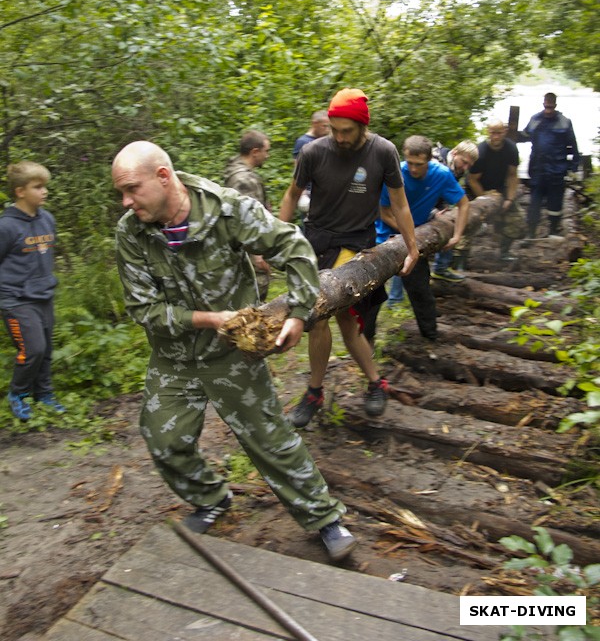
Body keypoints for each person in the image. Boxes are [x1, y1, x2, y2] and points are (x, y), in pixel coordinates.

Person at [111, 141, 356, 562]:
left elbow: (292, 246)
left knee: (268, 437)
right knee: (163, 438)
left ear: (164, 177)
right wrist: (209, 319)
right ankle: (211, 499)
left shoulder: (226, 210)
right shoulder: (132, 233)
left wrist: (298, 313)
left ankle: (325, 518)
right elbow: (144, 309)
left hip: (231, 354)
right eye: (122, 192)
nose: (126, 201)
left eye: (132, 189)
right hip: (175, 357)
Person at [279, 88, 419, 428]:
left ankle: (345, 386)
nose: (339, 137)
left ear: (362, 127)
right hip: (317, 240)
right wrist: (276, 240)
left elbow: (399, 203)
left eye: (347, 131)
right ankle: (349, 386)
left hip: (356, 245)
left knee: (327, 315)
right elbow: (292, 194)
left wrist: (412, 247)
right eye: (334, 129)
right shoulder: (314, 152)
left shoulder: (382, 151)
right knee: (329, 319)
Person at [366, 135, 469, 344]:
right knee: (371, 296)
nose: (413, 169)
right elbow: (385, 213)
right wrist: (408, 233)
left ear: (430, 160)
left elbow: (464, 204)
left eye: (419, 165)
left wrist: (457, 235)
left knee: (421, 292)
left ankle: (430, 337)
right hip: (385, 239)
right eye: (410, 163)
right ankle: (366, 343)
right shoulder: (395, 172)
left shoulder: (441, 175)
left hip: (415, 241)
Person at [0, 161, 64, 421]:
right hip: (15, 299)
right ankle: (18, 393)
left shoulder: (47, 219)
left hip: (43, 296)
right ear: (20, 191)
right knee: (33, 348)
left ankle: (44, 395)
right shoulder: (6, 226)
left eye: (44, 186)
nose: (44, 192)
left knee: (46, 349)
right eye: (38, 187)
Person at [518, 93, 580, 237]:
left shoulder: (564, 122)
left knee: (555, 202)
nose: (548, 110)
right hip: (537, 169)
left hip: (557, 169)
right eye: (546, 106)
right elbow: (525, 135)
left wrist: (574, 167)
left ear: (555, 105)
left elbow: (574, 145)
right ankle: (531, 232)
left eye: (551, 107)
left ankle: (553, 229)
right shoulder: (535, 119)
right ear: (543, 104)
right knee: (534, 202)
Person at [223, 130, 272, 300]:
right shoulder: (244, 180)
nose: (268, 156)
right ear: (255, 152)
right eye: (266, 151)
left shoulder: (234, 172)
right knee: (253, 302)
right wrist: (257, 256)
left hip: (243, 251)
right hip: (249, 253)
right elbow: (247, 221)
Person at [468, 118, 525, 261]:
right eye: (493, 133)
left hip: (500, 189)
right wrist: (484, 199)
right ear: (488, 132)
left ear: (505, 132)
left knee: (518, 221)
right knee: (467, 223)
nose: (496, 137)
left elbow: (513, 175)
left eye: (499, 133)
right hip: (477, 189)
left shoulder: (511, 149)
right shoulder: (481, 152)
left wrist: (509, 199)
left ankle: (504, 252)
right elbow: (472, 180)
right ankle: (460, 259)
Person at [431, 140, 479, 280]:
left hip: (436, 200)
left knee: (450, 222)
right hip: (415, 202)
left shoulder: (457, 167)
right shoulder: (436, 162)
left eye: (468, 165)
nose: (465, 167)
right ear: (455, 152)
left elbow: (448, 192)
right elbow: (420, 192)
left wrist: (445, 209)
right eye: (464, 162)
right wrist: (433, 212)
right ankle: (395, 298)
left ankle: (441, 268)